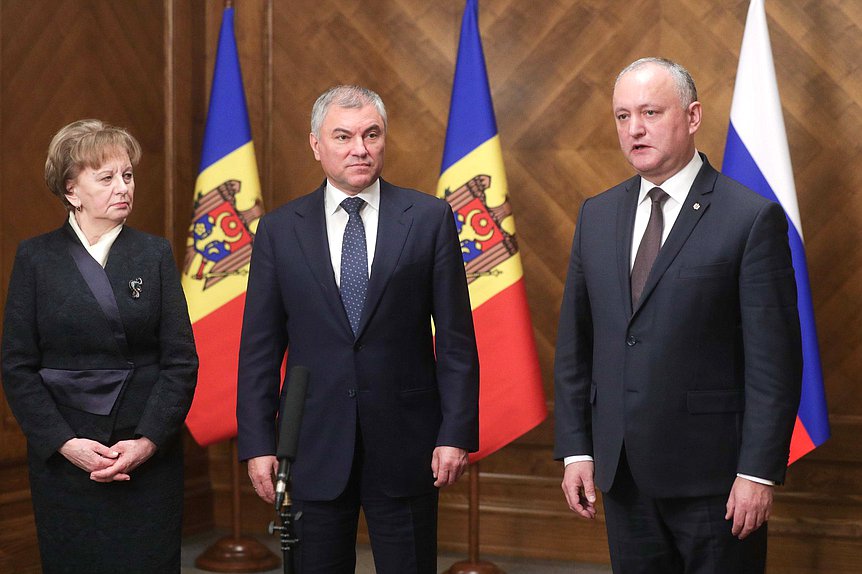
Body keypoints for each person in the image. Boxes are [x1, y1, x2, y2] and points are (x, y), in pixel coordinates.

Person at [553, 58, 802, 573]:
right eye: (622, 116)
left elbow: (773, 364)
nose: (634, 129)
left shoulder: (750, 218)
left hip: (716, 483)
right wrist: (577, 450)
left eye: (649, 111)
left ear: (692, 117)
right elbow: (577, 347)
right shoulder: (596, 215)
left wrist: (757, 473)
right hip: (621, 474)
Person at [236, 85, 479, 573]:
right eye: (343, 137)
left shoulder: (429, 219)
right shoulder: (279, 232)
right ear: (315, 144)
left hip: (408, 443)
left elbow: (455, 341)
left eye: (372, 134)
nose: (360, 149)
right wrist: (259, 443)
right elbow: (259, 351)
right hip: (312, 447)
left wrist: (455, 432)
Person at [1, 119, 198, 573]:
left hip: (144, 453)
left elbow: (180, 362)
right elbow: (17, 366)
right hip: (67, 456)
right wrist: (66, 444)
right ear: (72, 191)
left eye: (127, 175)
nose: (123, 187)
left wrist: (147, 441)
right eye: (106, 177)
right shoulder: (35, 258)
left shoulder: (154, 255)